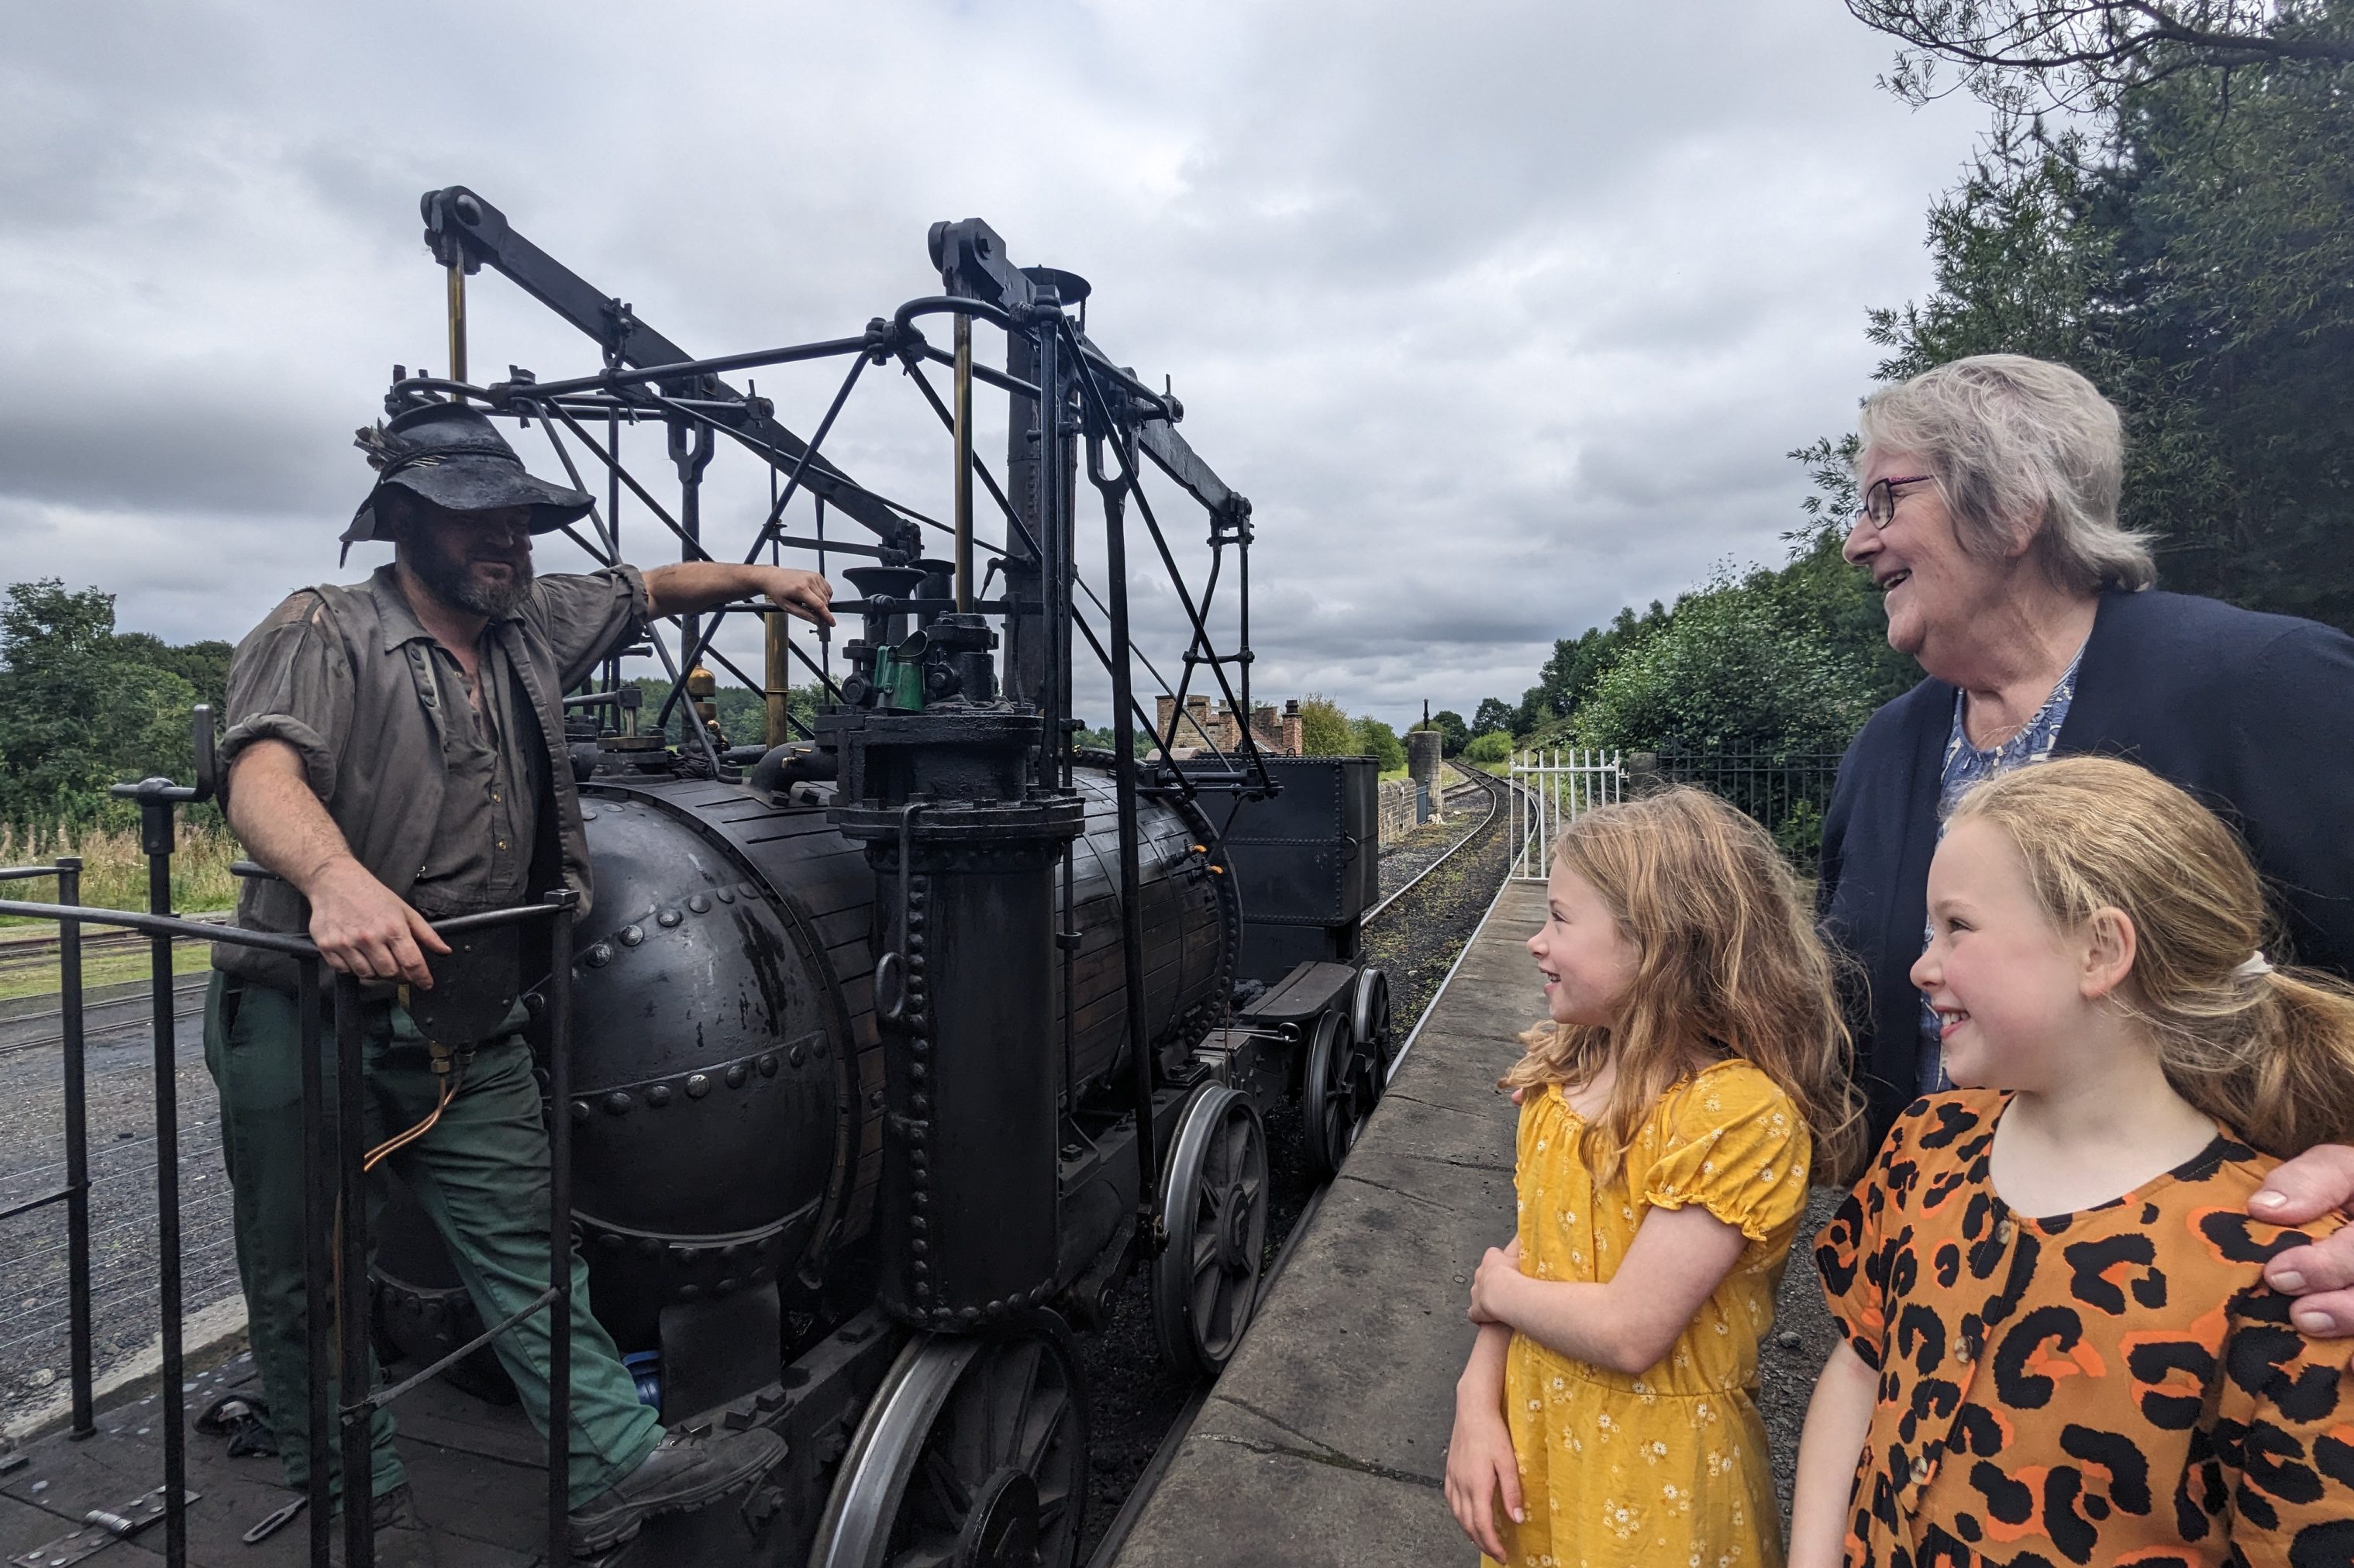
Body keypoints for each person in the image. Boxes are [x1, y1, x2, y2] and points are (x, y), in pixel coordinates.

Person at [205, 399, 834, 1563]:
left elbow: (649, 585)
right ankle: (361, 1503)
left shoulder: (529, 621)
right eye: (481, 522)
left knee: (527, 1249)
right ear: (405, 521)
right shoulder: (322, 628)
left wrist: (761, 577)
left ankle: (609, 1463)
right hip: (306, 1011)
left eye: (521, 524)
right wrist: (336, 879)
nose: (509, 543)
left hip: (465, 1008)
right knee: (310, 1274)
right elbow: (261, 767)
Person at [1815, 353, 2354, 1335]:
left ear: (2013, 505)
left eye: (1884, 499)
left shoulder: (2269, 685)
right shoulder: (1886, 751)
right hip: (1935, 1338)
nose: (1857, 542)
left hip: (2209, 1365)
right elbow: (1852, 1030)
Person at [1791, 757, 2354, 1566]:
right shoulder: (1927, 1143)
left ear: (2099, 949)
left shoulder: (2280, 1267)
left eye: (1956, 926)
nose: (1922, 966)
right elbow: (1859, 1363)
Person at [1444, 788, 1865, 1567]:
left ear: (1657, 942)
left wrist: (1496, 1291)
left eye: (1560, 919)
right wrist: (1476, 1403)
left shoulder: (1735, 1114)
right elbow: (1542, 1240)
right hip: (1537, 1451)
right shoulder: (1571, 1070)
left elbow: (1628, 1331)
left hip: (1654, 1483)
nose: (1536, 942)